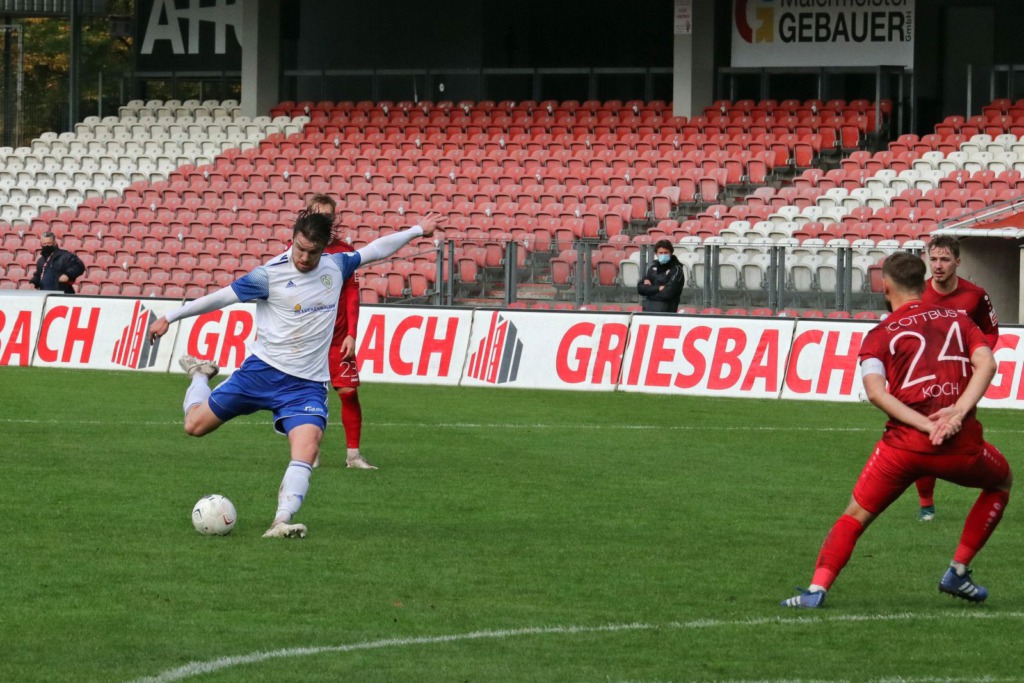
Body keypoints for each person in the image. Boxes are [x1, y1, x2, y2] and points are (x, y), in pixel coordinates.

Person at [148, 209, 442, 538]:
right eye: (299, 248)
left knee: (308, 446)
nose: (304, 257)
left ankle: (280, 521)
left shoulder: (337, 265)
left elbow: (376, 249)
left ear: (323, 249)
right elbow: (221, 298)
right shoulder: (269, 274)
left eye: (312, 252)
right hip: (259, 374)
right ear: (293, 239)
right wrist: (171, 316)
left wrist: (418, 229)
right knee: (194, 426)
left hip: (305, 386)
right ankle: (200, 375)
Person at [782, 251, 1011, 608]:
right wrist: (955, 415)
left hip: (902, 449)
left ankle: (816, 590)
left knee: (855, 516)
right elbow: (988, 363)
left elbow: (875, 392)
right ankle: (958, 570)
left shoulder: (879, 334)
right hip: (960, 445)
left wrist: (923, 424)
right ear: (923, 284)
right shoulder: (960, 320)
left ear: (885, 287)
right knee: (1000, 483)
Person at [913, 235, 1000, 522]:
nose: (938, 266)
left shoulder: (975, 295)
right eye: (933, 259)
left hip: (961, 381)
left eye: (945, 259)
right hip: (923, 380)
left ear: (958, 262)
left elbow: (990, 332)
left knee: (963, 434)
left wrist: (975, 356)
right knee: (924, 438)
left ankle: (992, 483)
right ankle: (926, 505)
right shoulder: (917, 295)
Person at [306, 193, 375, 469]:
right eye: (317, 214)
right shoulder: (297, 248)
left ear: (333, 219)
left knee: (348, 392)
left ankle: (353, 456)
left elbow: (352, 295)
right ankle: (309, 453)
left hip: (338, 338)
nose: (322, 219)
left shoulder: (345, 251)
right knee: (309, 396)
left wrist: (352, 334)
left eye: (327, 215)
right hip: (309, 338)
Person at [637, 239, 685, 312]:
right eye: (661, 253)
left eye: (666, 253)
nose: (663, 255)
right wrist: (659, 288)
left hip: (666, 314)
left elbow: (668, 293)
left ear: (671, 253)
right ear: (656, 254)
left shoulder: (677, 270)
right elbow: (640, 288)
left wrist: (649, 291)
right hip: (647, 312)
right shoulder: (652, 268)